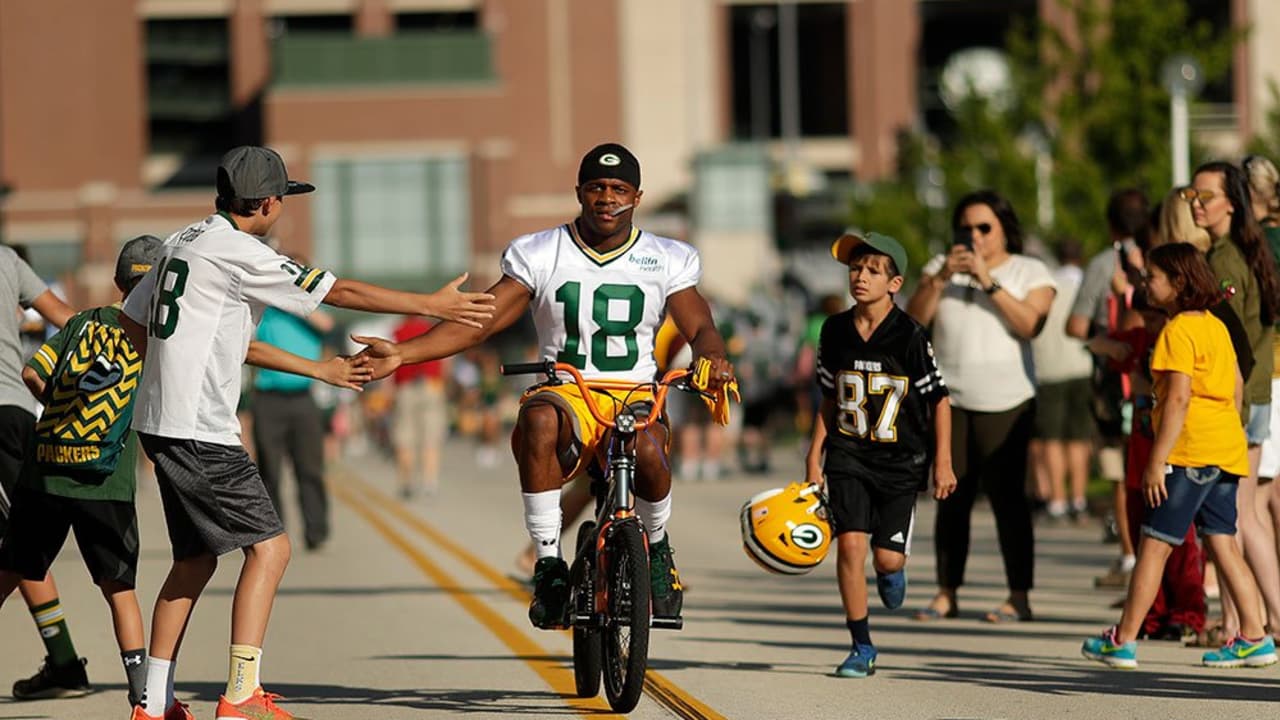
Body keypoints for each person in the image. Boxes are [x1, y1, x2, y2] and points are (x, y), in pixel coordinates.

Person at [118, 145, 495, 720]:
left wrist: (320, 368)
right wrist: (430, 303)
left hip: (162, 424)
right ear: (267, 202)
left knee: (194, 560)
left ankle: (152, 703)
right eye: (282, 200)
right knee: (272, 549)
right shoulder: (244, 252)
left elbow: (134, 319)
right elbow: (337, 291)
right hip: (201, 429)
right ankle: (241, 696)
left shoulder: (180, 243)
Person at [353, 142, 736, 629]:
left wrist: (714, 355)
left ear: (637, 197)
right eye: (596, 187)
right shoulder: (542, 251)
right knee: (536, 417)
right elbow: (482, 322)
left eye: (619, 189)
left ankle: (658, 549)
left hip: (634, 390)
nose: (606, 198)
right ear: (579, 191)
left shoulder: (666, 257)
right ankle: (548, 563)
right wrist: (404, 353)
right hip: (568, 387)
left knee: (648, 452)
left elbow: (699, 324)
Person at [1081, 242, 1277, 669]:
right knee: (1223, 543)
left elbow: (1178, 400)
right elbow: (1237, 388)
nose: (1146, 284)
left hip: (1191, 453)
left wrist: (1158, 459)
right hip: (1225, 448)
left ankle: (1124, 639)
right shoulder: (1216, 327)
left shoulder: (1176, 331)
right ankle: (1255, 636)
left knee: (1154, 544)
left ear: (1179, 282)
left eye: (1153, 277)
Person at [0, 236, 163, 711]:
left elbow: (33, 372)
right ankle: (142, 697)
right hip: (104, 478)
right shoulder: (154, 339)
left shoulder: (83, 323)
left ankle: (68, 663)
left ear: (117, 282)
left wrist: (62, 408)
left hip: (46, 466)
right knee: (120, 591)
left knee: (12, 567)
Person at [803, 232, 956, 678]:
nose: (860, 277)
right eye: (855, 268)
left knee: (885, 559)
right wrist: (815, 456)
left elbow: (939, 400)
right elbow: (829, 398)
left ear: (895, 283)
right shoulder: (834, 330)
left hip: (900, 462)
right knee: (850, 548)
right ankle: (861, 645)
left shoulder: (909, 335)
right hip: (848, 455)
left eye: (873, 270)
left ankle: (893, 566)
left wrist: (942, 461)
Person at [906, 189, 1055, 624]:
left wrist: (988, 279)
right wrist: (936, 280)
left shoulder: (1030, 270)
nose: (974, 236)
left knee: (1009, 500)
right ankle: (946, 591)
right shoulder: (940, 267)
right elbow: (912, 324)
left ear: (1004, 228)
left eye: (983, 227)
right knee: (951, 497)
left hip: (1008, 400)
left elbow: (1030, 324)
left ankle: (1018, 596)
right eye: (965, 228)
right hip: (950, 400)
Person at [1185, 161, 1280, 639]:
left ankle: (1251, 625)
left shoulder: (1226, 259)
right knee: (1249, 510)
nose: (1197, 204)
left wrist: (1230, 403)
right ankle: (1259, 621)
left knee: (1234, 515)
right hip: (1256, 393)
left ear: (1233, 202)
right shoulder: (1245, 248)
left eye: (1206, 196)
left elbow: (1235, 343)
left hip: (1241, 397)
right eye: (1191, 196)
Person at [1, 243, 86, 700]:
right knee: (22, 541)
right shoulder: (7, 260)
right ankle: (64, 661)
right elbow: (67, 318)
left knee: (20, 542)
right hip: (14, 413)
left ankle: (65, 662)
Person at [1067, 189, 1151, 587]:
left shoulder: (1105, 264)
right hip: (1161, 375)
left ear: (1111, 224)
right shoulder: (1165, 255)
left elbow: (1076, 326)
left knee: (1122, 472)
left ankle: (1132, 558)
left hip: (1117, 379)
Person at [251, 293, 335, 552]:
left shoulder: (308, 313)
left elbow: (327, 325)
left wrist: (296, 300)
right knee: (270, 470)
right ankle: (274, 533)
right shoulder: (266, 310)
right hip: (268, 398)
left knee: (310, 468)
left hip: (303, 399)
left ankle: (316, 531)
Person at [1029, 239, 1093, 523]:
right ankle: (1078, 498)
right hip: (1081, 366)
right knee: (1078, 438)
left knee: (1052, 439)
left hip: (1049, 368)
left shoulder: (1047, 286)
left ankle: (1057, 500)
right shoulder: (1085, 285)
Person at [389, 315, 449, 498]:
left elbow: (389, 360)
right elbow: (445, 359)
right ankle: (429, 481)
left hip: (405, 386)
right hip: (432, 385)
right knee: (431, 436)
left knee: (405, 436)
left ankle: (407, 482)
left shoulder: (398, 331)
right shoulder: (433, 329)